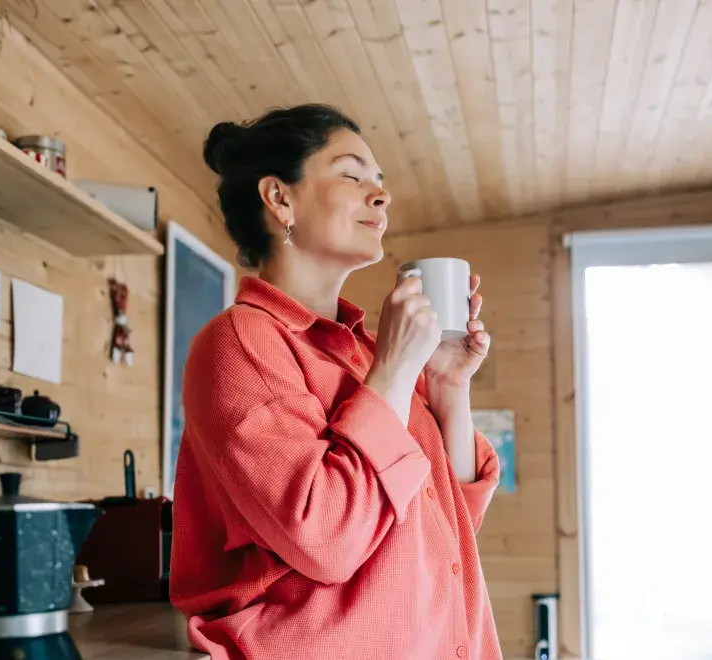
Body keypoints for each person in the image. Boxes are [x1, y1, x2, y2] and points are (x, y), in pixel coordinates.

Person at [170, 104, 502, 660]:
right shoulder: (240, 342)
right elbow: (324, 538)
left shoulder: (367, 353)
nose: (381, 195)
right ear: (280, 199)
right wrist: (395, 373)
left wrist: (446, 386)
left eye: (380, 181)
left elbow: (449, 526)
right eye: (352, 174)